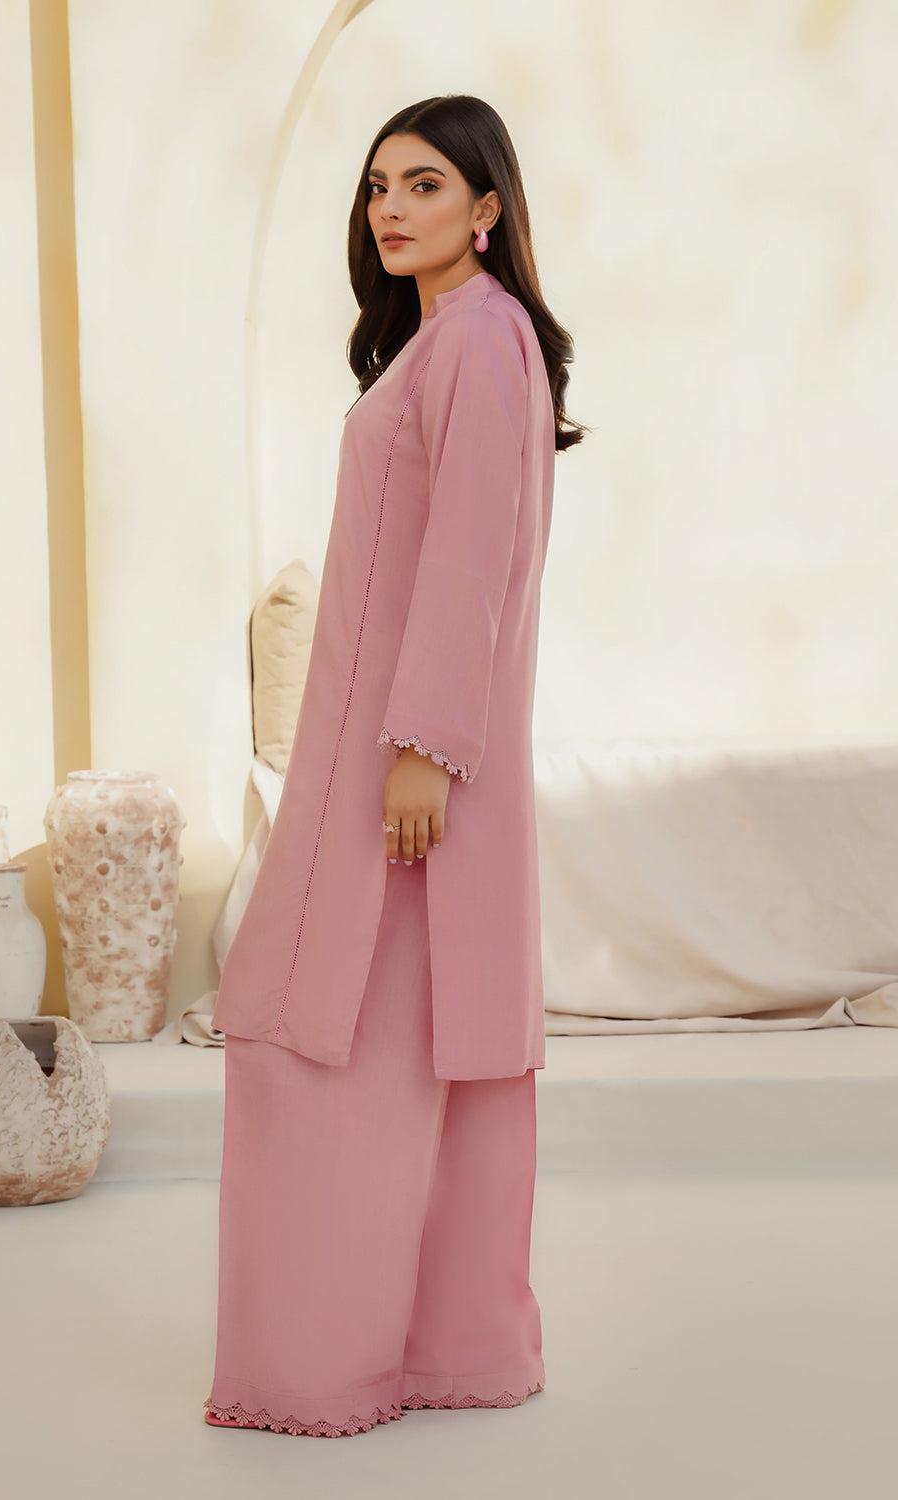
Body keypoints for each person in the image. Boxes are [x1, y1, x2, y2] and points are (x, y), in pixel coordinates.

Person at [204, 93, 584, 1438]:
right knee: (406, 1046)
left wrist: (424, 747)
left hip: (404, 774)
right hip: (373, 759)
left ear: (487, 208)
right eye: (377, 186)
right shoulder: (450, 341)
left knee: (346, 1044)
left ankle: (326, 1363)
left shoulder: (477, 337)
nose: (390, 207)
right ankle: (433, 1345)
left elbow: (472, 553)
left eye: (424, 184)